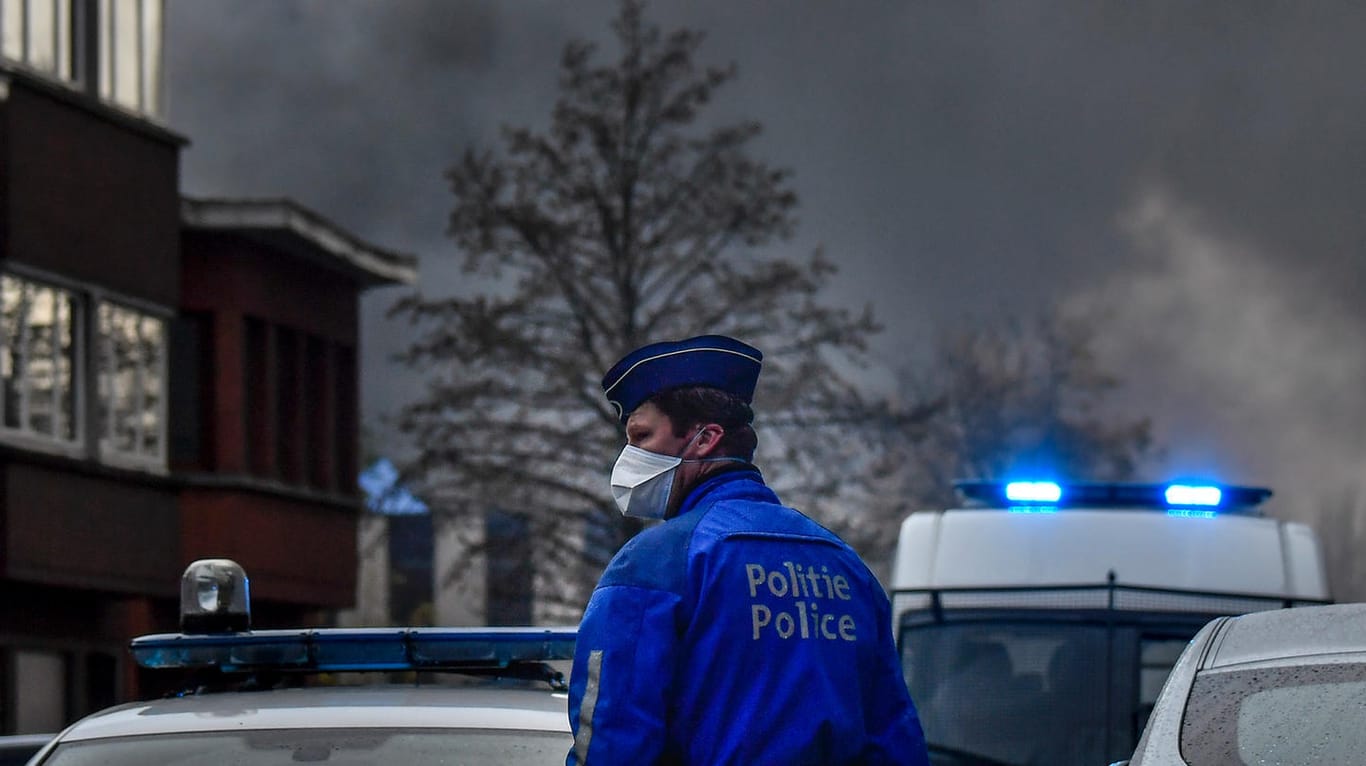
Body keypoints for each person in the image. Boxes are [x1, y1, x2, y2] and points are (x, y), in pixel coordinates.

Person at [567, 334, 930, 765]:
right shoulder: (843, 563)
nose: (629, 457)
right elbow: (894, 735)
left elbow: (613, 738)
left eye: (641, 436)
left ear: (704, 439)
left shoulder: (653, 564)